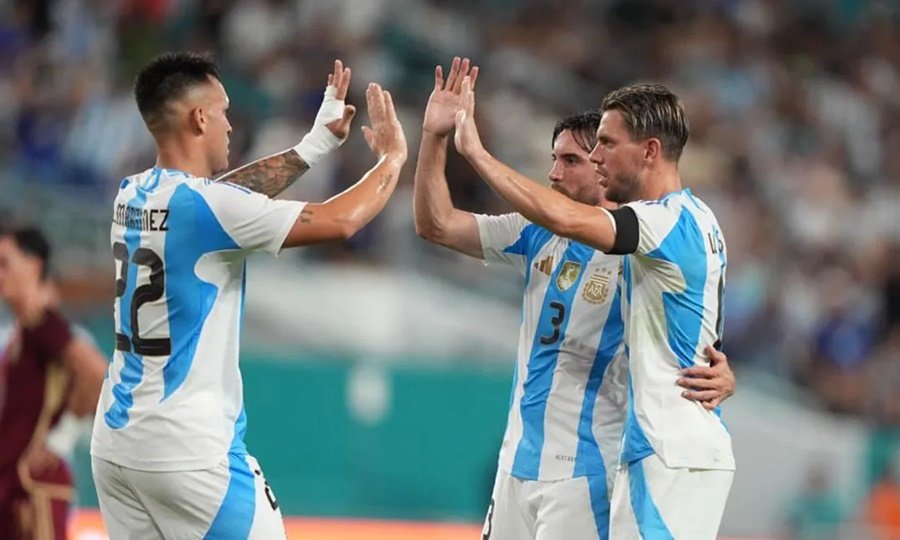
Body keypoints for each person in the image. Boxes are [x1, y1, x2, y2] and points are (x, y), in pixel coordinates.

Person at [89, 52, 407, 538]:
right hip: (190, 453)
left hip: (116, 446)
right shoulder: (207, 208)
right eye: (224, 111)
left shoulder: (132, 194)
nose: (230, 126)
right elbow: (342, 220)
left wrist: (315, 144)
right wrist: (393, 158)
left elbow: (224, 201)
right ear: (199, 118)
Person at [415, 58, 735, 540]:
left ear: (646, 151)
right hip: (517, 462)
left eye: (579, 157)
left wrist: (476, 152)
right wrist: (435, 136)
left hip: (592, 468)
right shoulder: (540, 234)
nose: (555, 172)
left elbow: (577, 223)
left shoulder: (650, 231)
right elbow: (436, 224)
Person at [0, 226, 108, 539]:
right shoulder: (21, 333)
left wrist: (60, 438)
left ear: (33, 267)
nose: (0, 275)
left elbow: (97, 373)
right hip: (15, 488)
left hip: (36, 490)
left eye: (6, 264)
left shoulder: (45, 325)